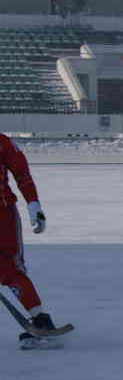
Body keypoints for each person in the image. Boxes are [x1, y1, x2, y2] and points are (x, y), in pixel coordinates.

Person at [0, 133, 60, 350]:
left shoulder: (2, 142)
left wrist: (33, 204)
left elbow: (21, 173)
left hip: (2, 215)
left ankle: (40, 320)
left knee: (10, 270)